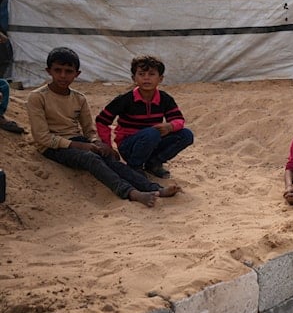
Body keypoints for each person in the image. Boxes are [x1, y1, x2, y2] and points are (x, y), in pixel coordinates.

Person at [26, 47, 181, 207]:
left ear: (77, 74)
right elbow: (42, 137)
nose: (63, 75)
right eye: (58, 70)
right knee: (90, 158)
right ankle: (131, 192)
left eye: (68, 71)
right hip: (51, 146)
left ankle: (155, 189)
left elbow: (89, 130)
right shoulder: (37, 97)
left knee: (108, 158)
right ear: (48, 71)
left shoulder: (79, 98)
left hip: (76, 140)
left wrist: (98, 143)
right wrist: (82, 146)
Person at [95, 55, 194, 178]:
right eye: (141, 74)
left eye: (151, 74)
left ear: (161, 78)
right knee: (152, 133)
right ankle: (134, 166)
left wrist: (170, 126)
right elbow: (102, 121)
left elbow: (179, 119)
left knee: (186, 135)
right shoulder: (125, 100)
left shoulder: (164, 99)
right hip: (129, 146)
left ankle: (154, 163)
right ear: (134, 78)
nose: (146, 78)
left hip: (153, 142)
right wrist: (108, 146)